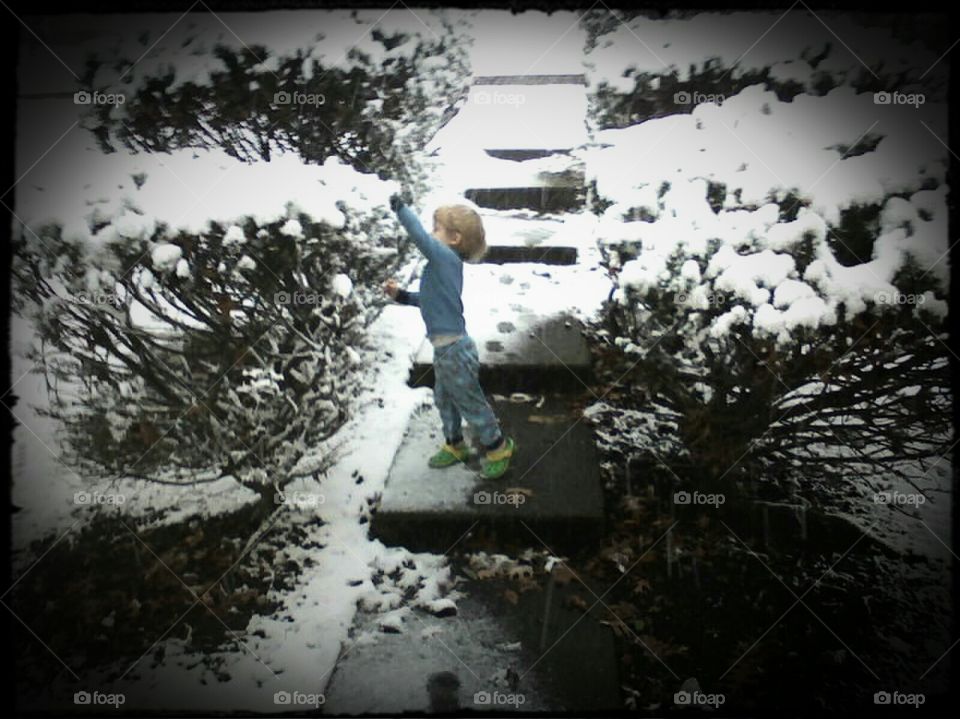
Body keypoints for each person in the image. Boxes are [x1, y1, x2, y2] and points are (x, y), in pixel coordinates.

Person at [383, 192, 516, 479]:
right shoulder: (441, 267)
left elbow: (419, 237)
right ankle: (456, 444)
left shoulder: (445, 258)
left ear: (454, 239)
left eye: (437, 229)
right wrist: (402, 296)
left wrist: (400, 207)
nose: (431, 234)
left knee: (469, 401)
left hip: (455, 350)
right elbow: (429, 300)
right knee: (444, 399)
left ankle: (497, 445)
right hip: (445, 350)